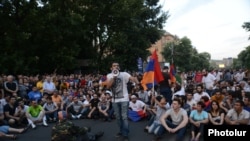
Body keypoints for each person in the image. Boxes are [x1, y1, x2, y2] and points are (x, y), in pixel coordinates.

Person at [106, 62, 139, 141]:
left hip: (124, 99)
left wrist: (135, 78)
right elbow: (108, 86)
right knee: (118, 117)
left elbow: (134, 80)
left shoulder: (124, 74)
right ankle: (121, 131)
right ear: (111, 68)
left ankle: (125, 134)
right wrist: (114, 77)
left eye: (117, 65)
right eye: (114, 66)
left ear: (119, 67)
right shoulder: (109, 75)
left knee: (124, 117)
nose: (116, 67)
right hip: (114, 100)